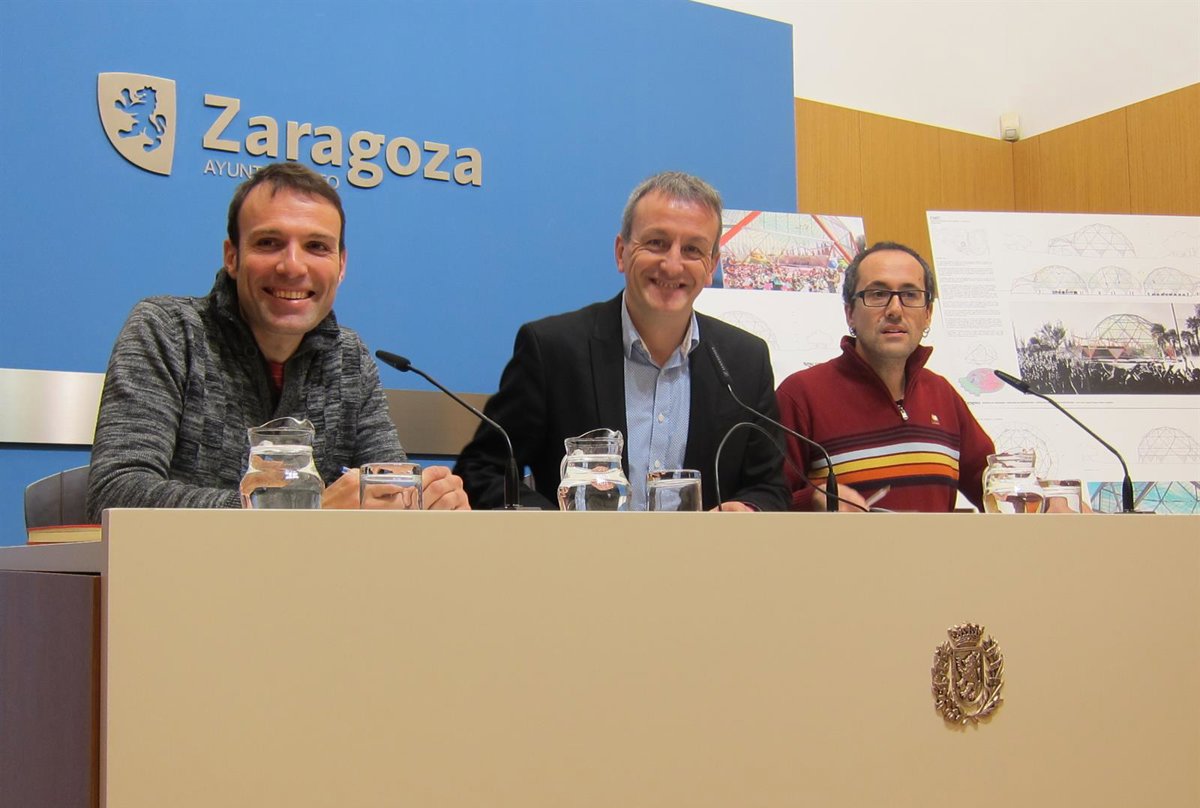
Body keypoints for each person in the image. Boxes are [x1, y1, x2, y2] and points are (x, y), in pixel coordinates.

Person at [86, 162, 469, 519]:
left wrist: (420, 503)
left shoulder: (349, 357)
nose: (292, 266)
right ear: (232, 257)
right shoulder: (166, 330)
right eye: (269, 242)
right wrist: (309, 510)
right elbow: (115, 495)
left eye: (317, 246)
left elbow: (387, 490)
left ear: (341, 265)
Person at [454, 171, 788, 511]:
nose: (672, 265)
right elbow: (482, 471)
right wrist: (555, 527)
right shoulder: (552, 350)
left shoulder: (746, 362)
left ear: (711, 266)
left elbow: (770, 488)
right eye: (656, 242)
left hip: (706, 549)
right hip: (577, 547)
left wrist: (749, 509)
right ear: (621, 252)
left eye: (692, 249)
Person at [775, 241, 994, 512]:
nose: (895, 310)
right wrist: (815, 501)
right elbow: (765, 504)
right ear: (850, 313)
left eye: (910, 295)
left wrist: (1033, 493)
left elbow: (995, 487)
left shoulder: (942, 394)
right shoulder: (801, 395)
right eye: (878, 294)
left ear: (927, 314)